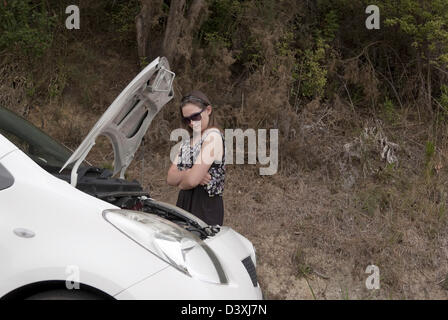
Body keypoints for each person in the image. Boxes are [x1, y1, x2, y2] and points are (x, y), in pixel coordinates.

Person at [167, 90, 226, 226]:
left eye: (195, 117)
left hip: (205, 206)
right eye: (187, 119)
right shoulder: (188, 141)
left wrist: (182, 181)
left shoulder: (213, 136)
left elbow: (192, 181)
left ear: (208, 110)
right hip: (183, 203)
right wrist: (188, 173)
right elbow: (170, 178)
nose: (192, 123)